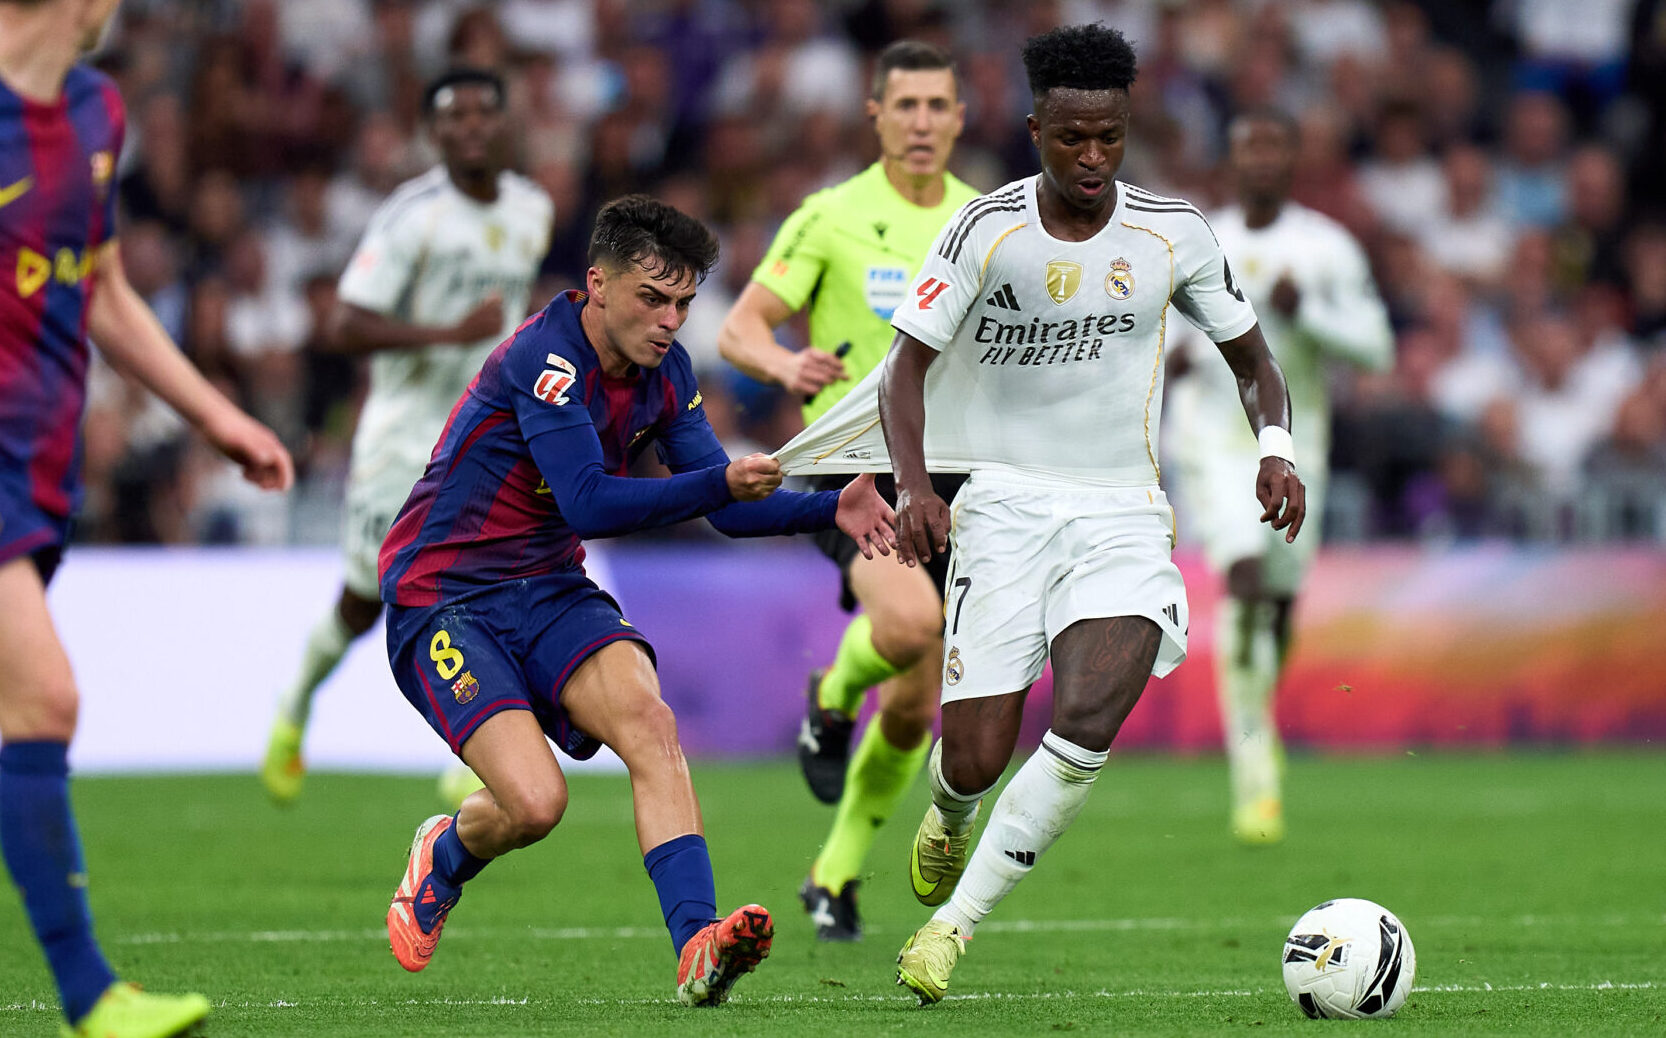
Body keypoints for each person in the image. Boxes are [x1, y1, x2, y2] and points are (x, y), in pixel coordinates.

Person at [820, 23, 1305, 1003]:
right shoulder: (983, 231)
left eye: (1110, 140)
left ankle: (949, 933)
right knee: (973, 758)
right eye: (1072, 139)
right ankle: (952, 816)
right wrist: (917, 490)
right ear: (1036, 127)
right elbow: (901, 373)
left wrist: (1275, 449)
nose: (1092, 160)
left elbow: (1253, 359)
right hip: (1001, 506)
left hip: (1123, 508)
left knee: (1088, 719)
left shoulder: (1173, 231)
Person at [376, 195, 894, 1005]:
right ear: (598, 286)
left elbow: (725, 508)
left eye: (684, 302)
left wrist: (831, 505)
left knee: (653, 726)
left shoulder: (667, 373)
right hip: (445, 595)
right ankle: (443, 855)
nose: (670, 320)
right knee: (536, 803)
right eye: (654, 298)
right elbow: (588, 501)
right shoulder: (543, 362)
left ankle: (697, 946)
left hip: (549, 587)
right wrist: (719, 478)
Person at [0, 2, 294, 1035]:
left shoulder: (95, 110)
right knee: (40, 701)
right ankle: (91, 997)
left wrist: (217, 417)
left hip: (34, 470)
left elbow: (107, 289)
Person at [716, 39, 978, 942]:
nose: (919, 123)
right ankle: (830, 696)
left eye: (936, 106)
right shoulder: (830, 215)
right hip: (854, 469)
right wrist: (787, 360)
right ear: (875, 113)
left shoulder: (982, 220)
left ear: (959, 117)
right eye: (903, 105)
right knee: (910, 627)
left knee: (913, 700)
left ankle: (832, 877)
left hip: (954, 473)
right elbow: (741, 327)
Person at [260, 68, 553, 805]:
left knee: (487, 585)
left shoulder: (532, 209)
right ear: (434, 133)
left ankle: (476, 751)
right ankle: (295, 704)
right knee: (366, 597)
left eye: (487, 111)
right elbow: (346, 322)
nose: (473, 126)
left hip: (488, 435)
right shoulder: (411, 215)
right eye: (455, 116)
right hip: (403, 440)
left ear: (506, 122)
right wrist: (445, 333)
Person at [1168, 108, 1393, 845]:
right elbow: (1158, 327)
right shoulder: (1200, 238)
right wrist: (1168, 357)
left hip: (1297, 440)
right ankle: (1255, 771)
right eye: (1246, 145)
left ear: (1292, 159)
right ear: (1229, 160)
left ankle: (1256, 713)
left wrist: (1314, 314)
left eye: (1272, 144)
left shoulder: (1324, 247)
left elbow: (1377, 350)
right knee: (1242, 577)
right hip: (1213, 437)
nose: (1259, 158)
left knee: (1282, 600)